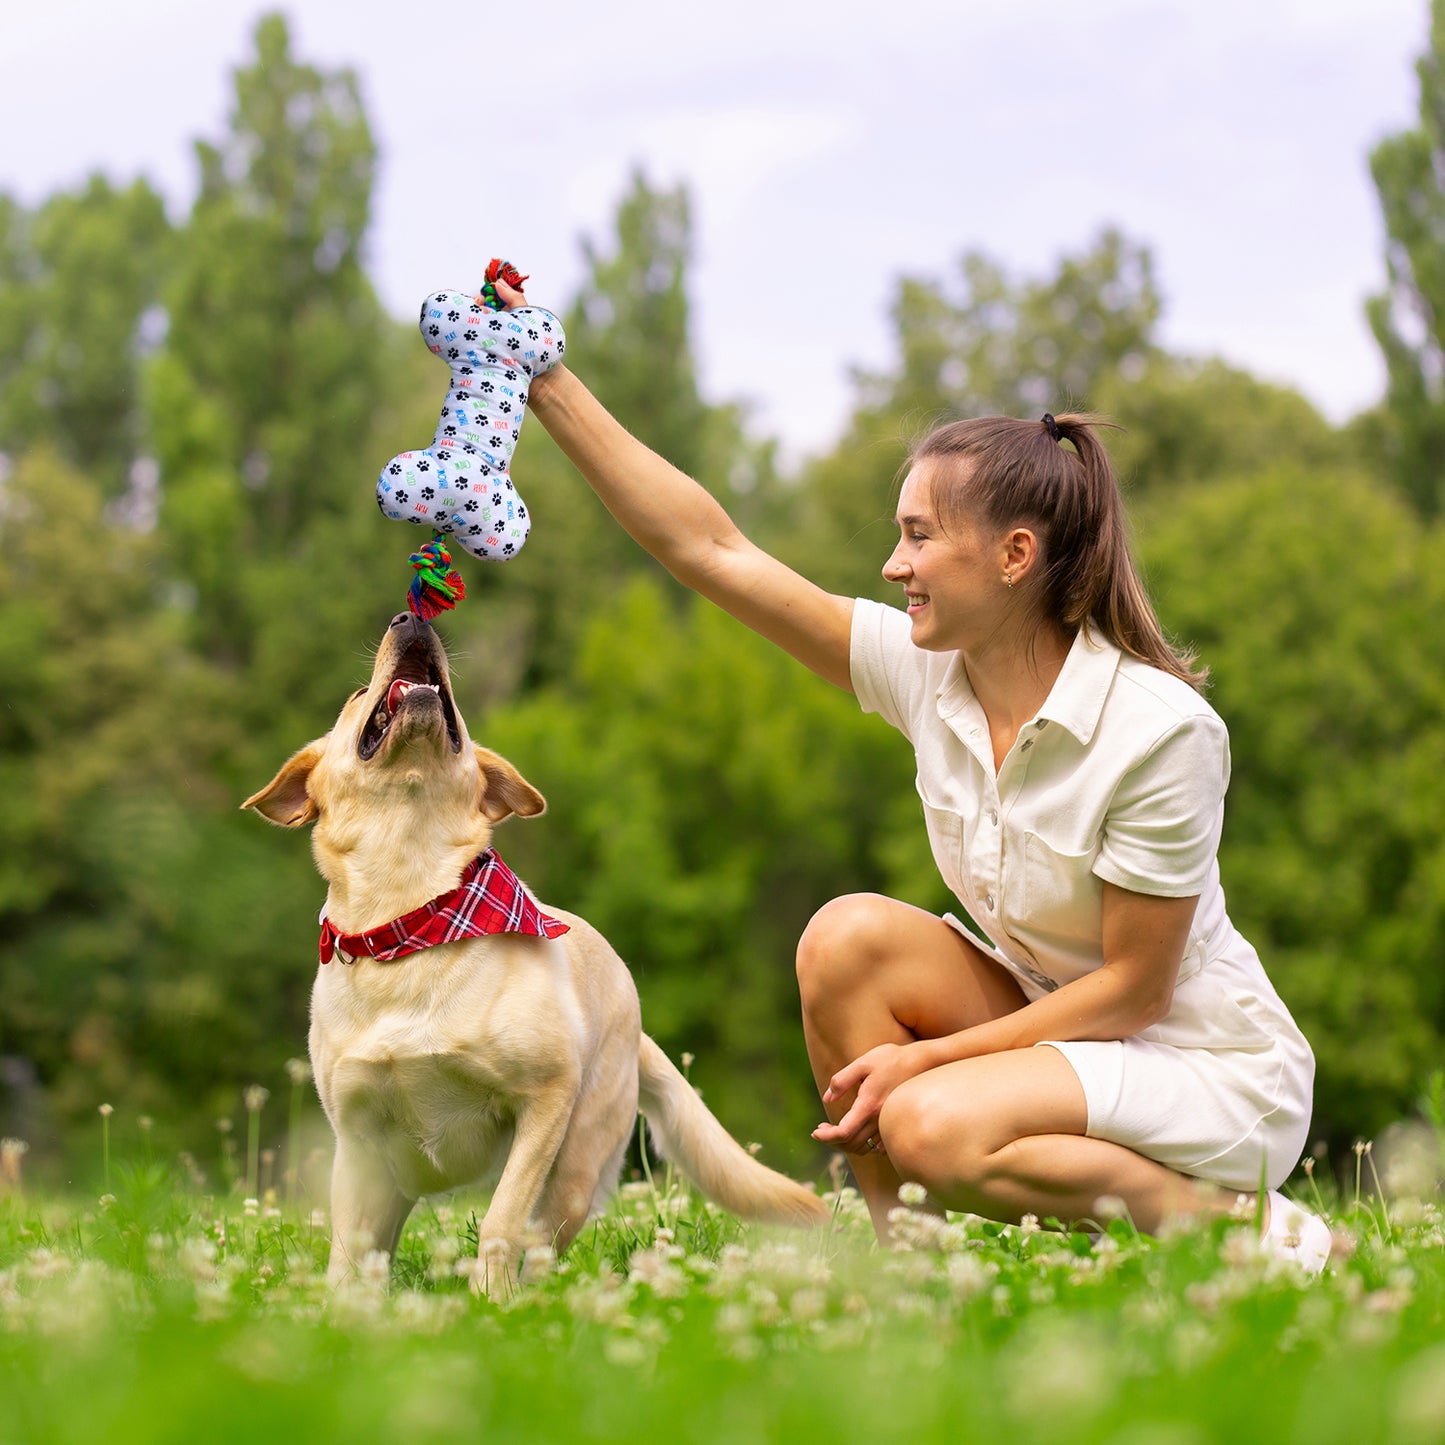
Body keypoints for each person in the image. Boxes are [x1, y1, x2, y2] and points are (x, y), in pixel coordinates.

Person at [494, 277, 1332, 1272]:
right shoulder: (926, 670)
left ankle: (1246, 1231)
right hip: (1051, 1022)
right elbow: (710, 548)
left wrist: (925, 1060)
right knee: (844, 940)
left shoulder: (1158, 732)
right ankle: (912, 1279)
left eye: (919, 535)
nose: (893, 563)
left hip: (1197, 1063)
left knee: (927, 1122)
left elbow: (1134, 990)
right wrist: (541, 379)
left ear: (1014, 554)